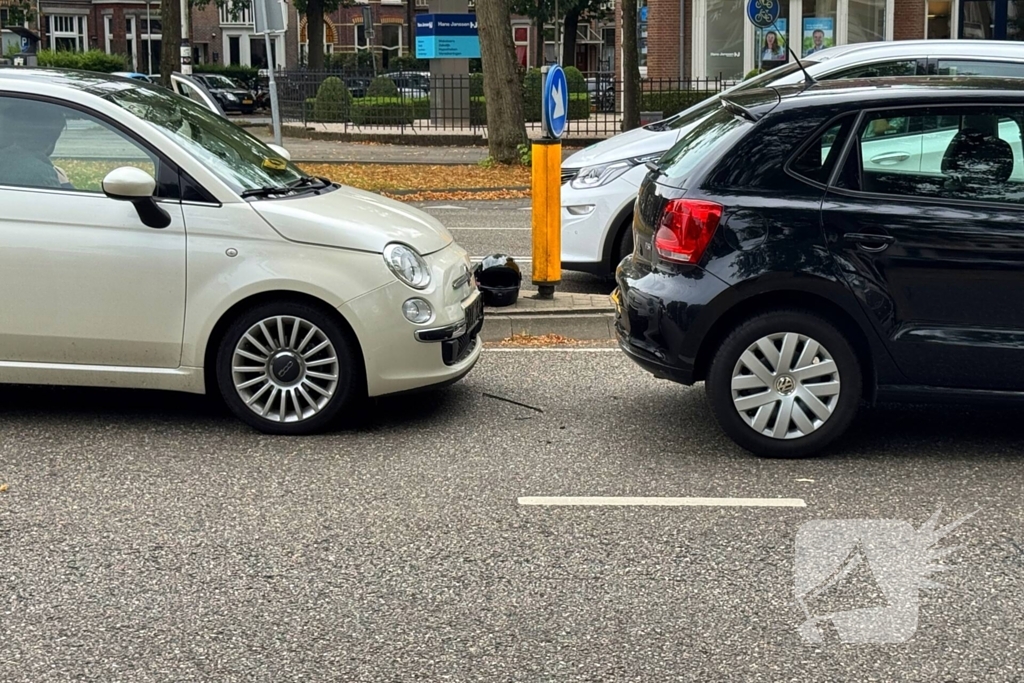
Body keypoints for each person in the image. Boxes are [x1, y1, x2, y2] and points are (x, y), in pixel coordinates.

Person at [0, 99, 71, 189]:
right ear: (51, 138)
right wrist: (65, 183)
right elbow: (65, 202)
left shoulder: (4, 159)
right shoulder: (41, 173)